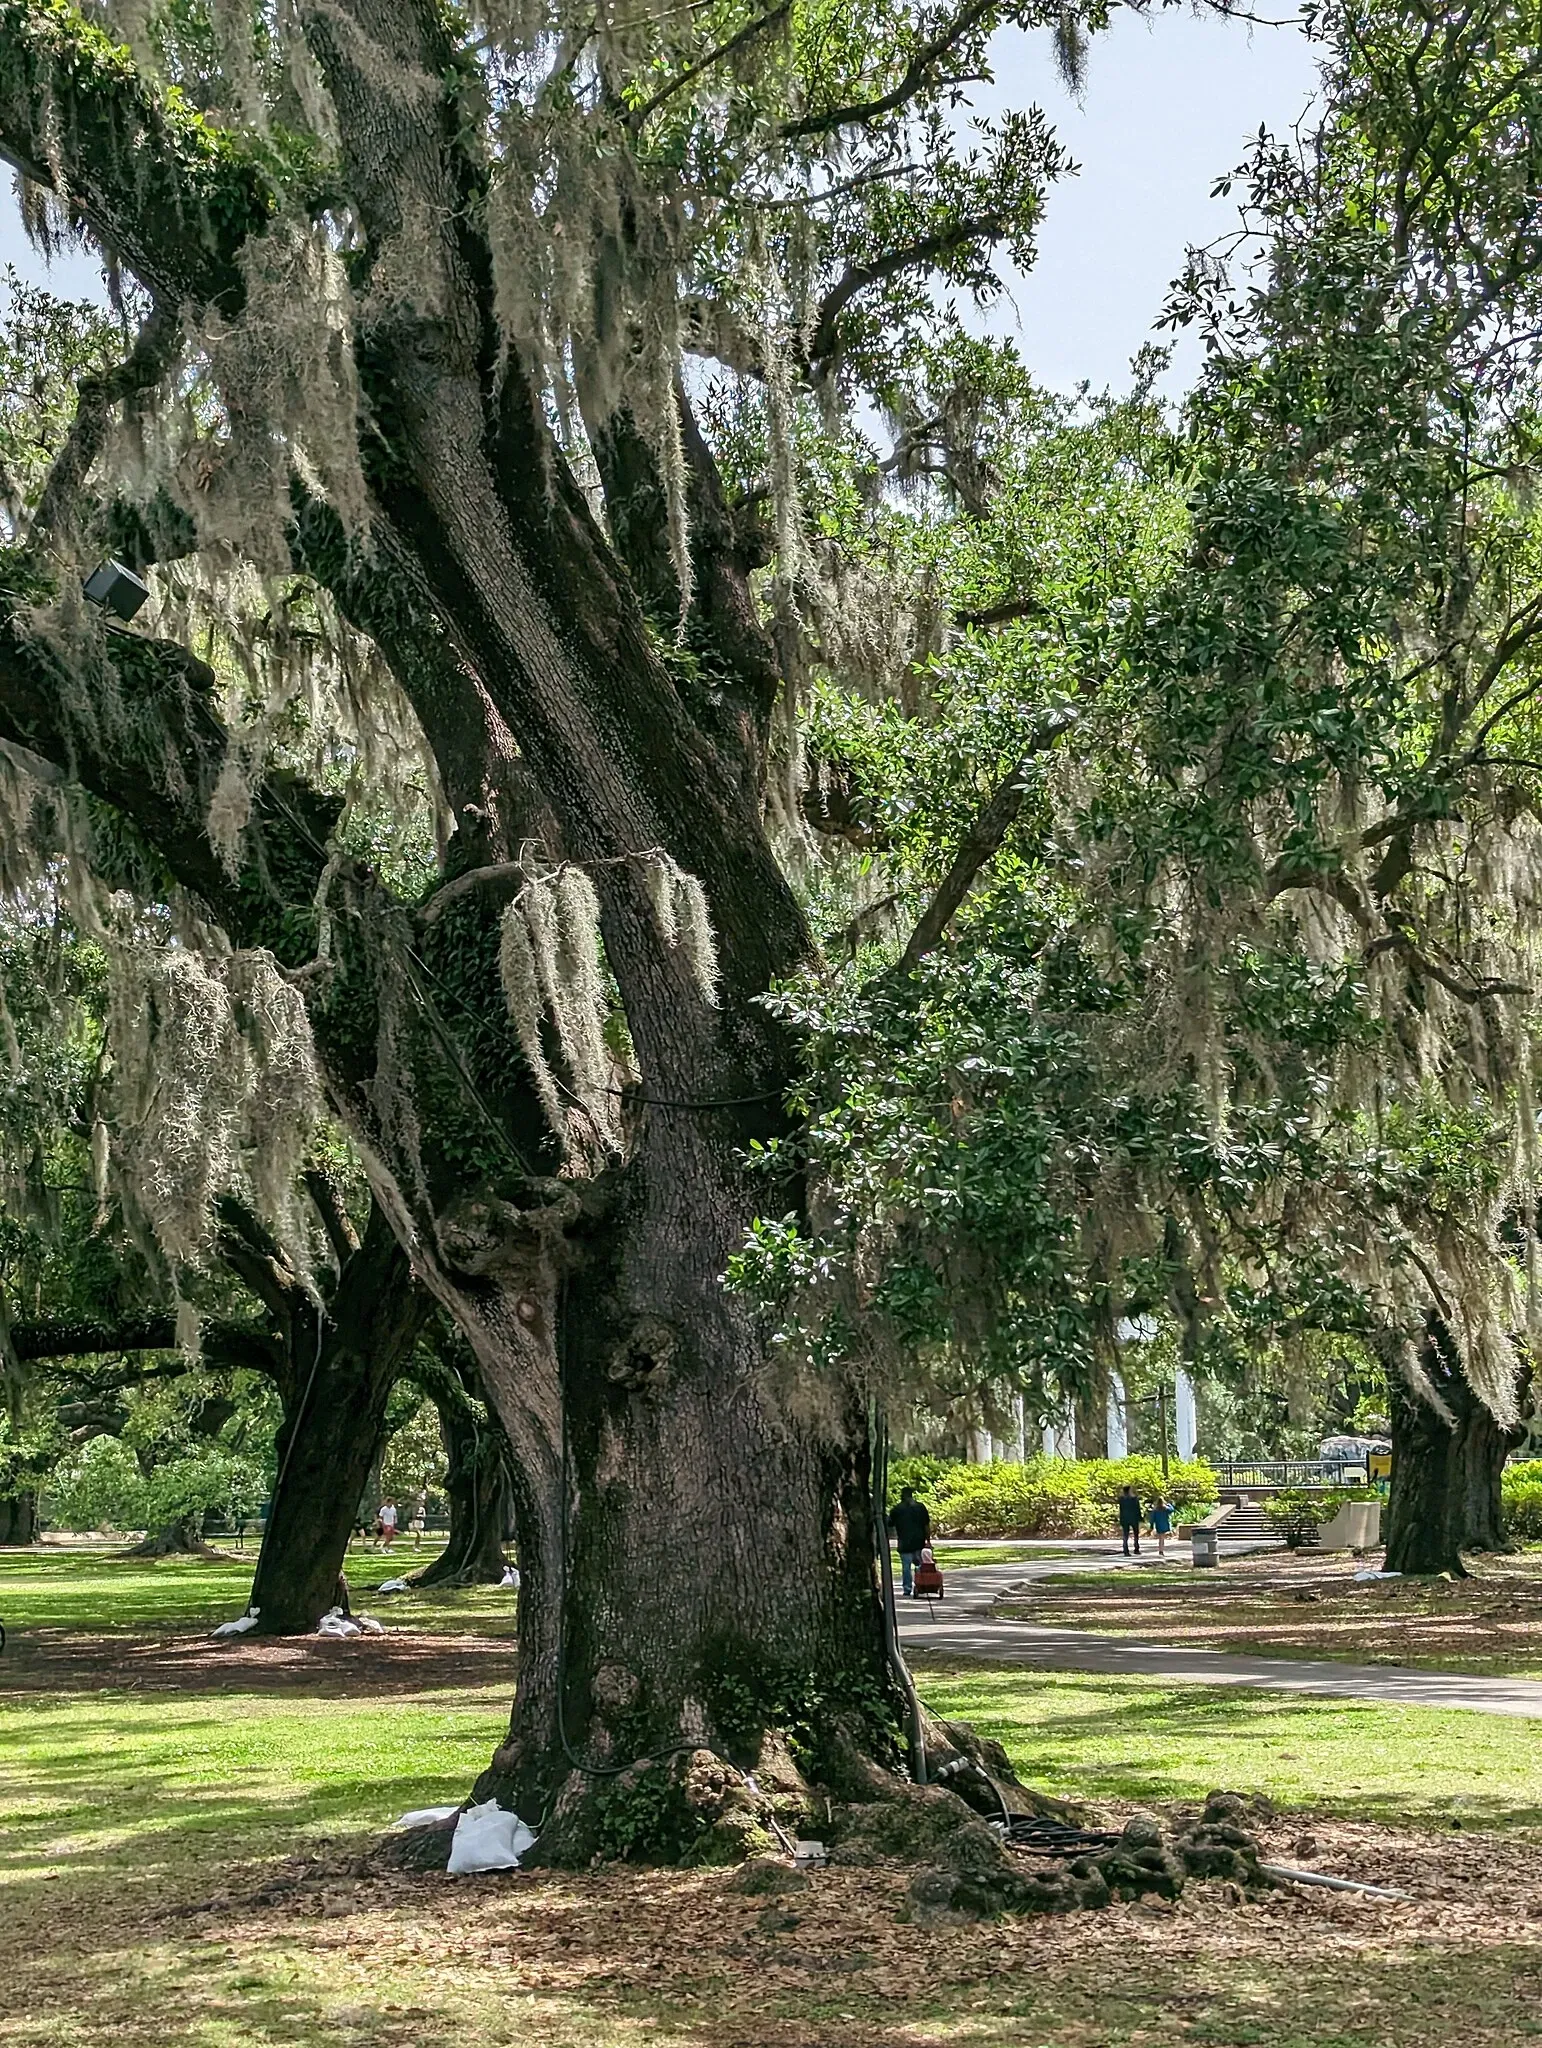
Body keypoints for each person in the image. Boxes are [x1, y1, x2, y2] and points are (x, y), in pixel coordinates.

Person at [888, 1486, 931, 1597]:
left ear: (902, 1496)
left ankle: (907, 1588)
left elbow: (889, 1523)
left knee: (906, 1567)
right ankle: (921, 1584)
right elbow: (926, 1525)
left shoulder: (897, 1509)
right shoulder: (920, 1507)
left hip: (904, 1542)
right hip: (919, 1541)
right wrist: (928, 1541)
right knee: (919, 1565)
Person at [1117, 1484, 1143, 1556]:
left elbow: (1121, 1510)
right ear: (1130, 1490)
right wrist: (1140, 1517)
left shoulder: (1122, 1499)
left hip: (1125, 1518)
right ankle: (1136, 1549)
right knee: (1136, 1533)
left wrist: (1121, 1519)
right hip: (1134, 1518)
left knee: (1125, 1534)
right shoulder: (1134, 1499)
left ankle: (1126, 1550)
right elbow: (1137, 1509)